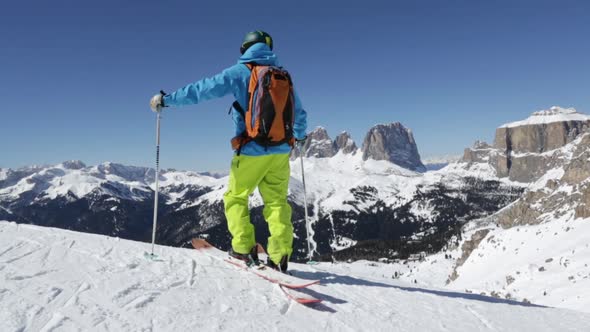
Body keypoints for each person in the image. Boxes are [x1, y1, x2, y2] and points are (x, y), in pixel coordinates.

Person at [150, 30, 307, 272]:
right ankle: (281, 255)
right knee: (277, 203)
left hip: (251, 151)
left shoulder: (239, 72)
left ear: (245, 48)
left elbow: (202, 90)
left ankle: (243, 249)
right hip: (280, 152)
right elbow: (300, 114)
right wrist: (299, 137)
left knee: (236, 197)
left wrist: (167, 99)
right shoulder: (282, 75)